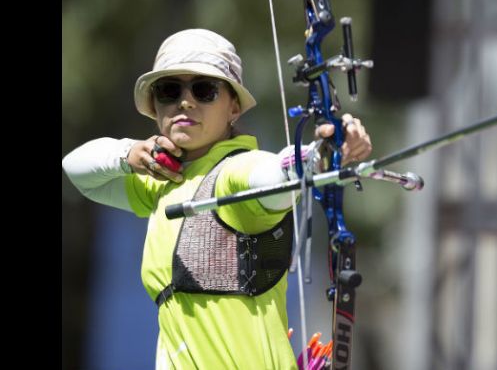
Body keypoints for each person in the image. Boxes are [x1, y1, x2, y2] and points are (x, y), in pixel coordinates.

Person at [61, 28, 372, 369]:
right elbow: (76, 171)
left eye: (204, 90)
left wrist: (320, 155)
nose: (185, 102)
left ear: (233, 107)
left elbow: (275, 174)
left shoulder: (235, 172)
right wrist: (129, 153)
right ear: (155, 105)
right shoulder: (162, 184)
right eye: (169, 90)